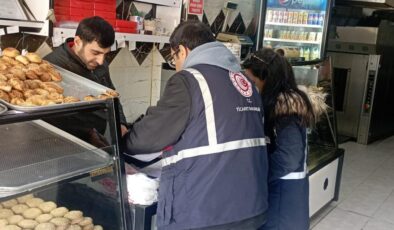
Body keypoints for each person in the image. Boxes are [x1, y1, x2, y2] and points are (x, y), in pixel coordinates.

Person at [122, 20, 269, 230]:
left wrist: (124, 139)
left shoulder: (189, 79)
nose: (176, 66)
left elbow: (150, 135)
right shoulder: (244, 82)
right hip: (251, 206)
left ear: (182, 50)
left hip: (206, 211)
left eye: (174, 59)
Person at [243, 48, 327, 230]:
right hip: (282, 196)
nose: (249, 87)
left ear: (267, 80)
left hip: (283, 200)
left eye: (252, 81)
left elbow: (289, 157)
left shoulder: (287, 112)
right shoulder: (278, 106)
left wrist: (257, 176)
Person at [44, 16, 128, 142]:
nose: (101, 61)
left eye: (105, 54)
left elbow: (111, 95)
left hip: (102, 135)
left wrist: (120, 123)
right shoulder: (52, 67)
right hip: (71, 143)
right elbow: (53, 118)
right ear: (77, 42)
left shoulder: (100, 64)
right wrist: (89, 134)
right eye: (95, 53)